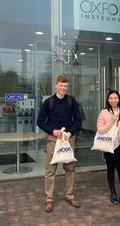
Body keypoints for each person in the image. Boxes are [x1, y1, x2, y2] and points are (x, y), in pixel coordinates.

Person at [37, 75, 82, 213]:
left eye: (65, 86)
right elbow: (39, 121)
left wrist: (70, 133)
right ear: (56, 85)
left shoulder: (71, 101)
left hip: (68, 139)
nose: (63, 88)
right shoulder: (49, 102)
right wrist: (52, 131)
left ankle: (70, 196)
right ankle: (49, 199)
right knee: (50, 171)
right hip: (53, 140)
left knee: (70, 169)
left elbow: (78, 119)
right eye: (61, 85)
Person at [96, 90, 120, 204]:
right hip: (108, 146)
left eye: (115, 98)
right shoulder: (103, 113)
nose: (113, 100)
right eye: (111, 98)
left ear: (119, 99)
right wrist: (111, 121)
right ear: (108, 100)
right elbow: (100, 130)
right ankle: (113, 193)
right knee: (110, 170)